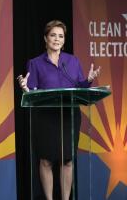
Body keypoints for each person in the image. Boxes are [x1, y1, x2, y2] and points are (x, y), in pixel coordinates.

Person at [17, 20, 100, 200]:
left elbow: (78, 86)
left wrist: (89, 80)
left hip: (69, 115)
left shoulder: (72, 61)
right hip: (45, 117)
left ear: (64, 40)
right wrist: (25, 88)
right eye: (53, 35)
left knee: (67, 159)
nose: (57, 39)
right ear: (45, 39)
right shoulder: (35, 63)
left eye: (61, 36)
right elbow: (32, 90)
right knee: (46, 159)